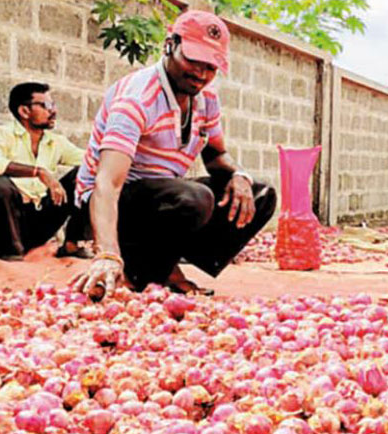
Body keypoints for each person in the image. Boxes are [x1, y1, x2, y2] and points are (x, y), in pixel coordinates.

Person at [70, 10, 276, 298]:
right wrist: (107, 253)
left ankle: (161, 265)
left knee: (260, 194)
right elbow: (107, 184)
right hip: (115, 204)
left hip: (160, 201)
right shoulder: (137, 98)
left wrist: (238, 175)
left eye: (211, 66)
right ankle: (140, 271)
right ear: (170, 45)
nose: (200, 74)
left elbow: (217, 156)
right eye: (192, 60)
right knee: (193, 199)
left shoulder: (207, 99)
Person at [0, 82, 90, 261]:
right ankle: (12, 254)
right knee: (0, 185)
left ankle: (73, 243)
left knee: (86, 173)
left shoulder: (56, 142)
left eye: (53, 105)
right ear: (24, 111)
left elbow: (89, 159)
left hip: (40, 219)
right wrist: (38, 172)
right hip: (8, 224)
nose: (53, 111)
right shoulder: (3, 134)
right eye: (46, 106)